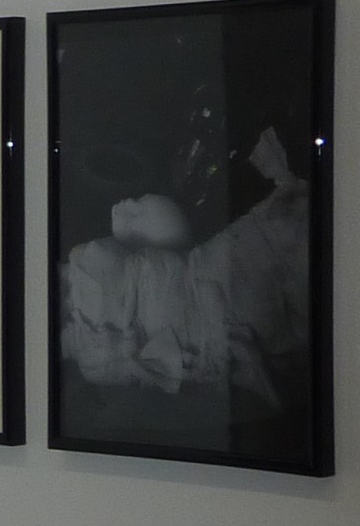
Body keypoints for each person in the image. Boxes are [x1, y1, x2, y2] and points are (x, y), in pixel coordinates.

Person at [60, 126, 311, 407]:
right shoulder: (88, 264)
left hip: (223, 310)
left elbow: (168, 236)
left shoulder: (93, 362)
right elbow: (169, 229)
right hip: (222, 287)